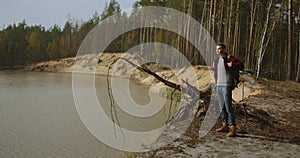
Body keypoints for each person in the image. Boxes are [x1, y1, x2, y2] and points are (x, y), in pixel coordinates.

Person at [213, 43, 243, 137]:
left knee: (228, 106)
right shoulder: (216, 60)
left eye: (221, 49)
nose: (219, 50)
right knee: (222, 106)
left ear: (225, 49)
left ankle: (233, 128)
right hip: (218, 85)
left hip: (226, 85)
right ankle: (224, 124)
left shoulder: (229, 58)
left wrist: (232, 65)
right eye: (217, 49)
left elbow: (241, 65)